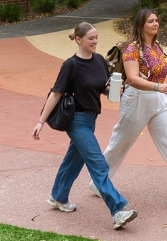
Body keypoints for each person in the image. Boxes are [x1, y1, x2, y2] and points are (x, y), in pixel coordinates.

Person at [33, 21, 135, 229]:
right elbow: (56, 93)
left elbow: (103, 89)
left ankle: (58, 197)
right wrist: (40, 122)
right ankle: (117, 210)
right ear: (79, 40)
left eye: (96, 37)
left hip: (91, 120)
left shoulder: (98, 60)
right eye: (91, 38)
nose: (95, 41)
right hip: (76, 121)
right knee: (98, 163)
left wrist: (114, 89)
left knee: (73, 160)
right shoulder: (71, 65)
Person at [103, 7, 167, 204]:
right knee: (120, 142)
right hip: (137, 99)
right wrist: (158, 87)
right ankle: (99, 181)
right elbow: (132, 79)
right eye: (151, 21)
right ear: (141, 25)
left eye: (157, 20)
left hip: (160, 100)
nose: (155, 24)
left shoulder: (157, 46)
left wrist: (159, 90)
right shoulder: (131, 49)